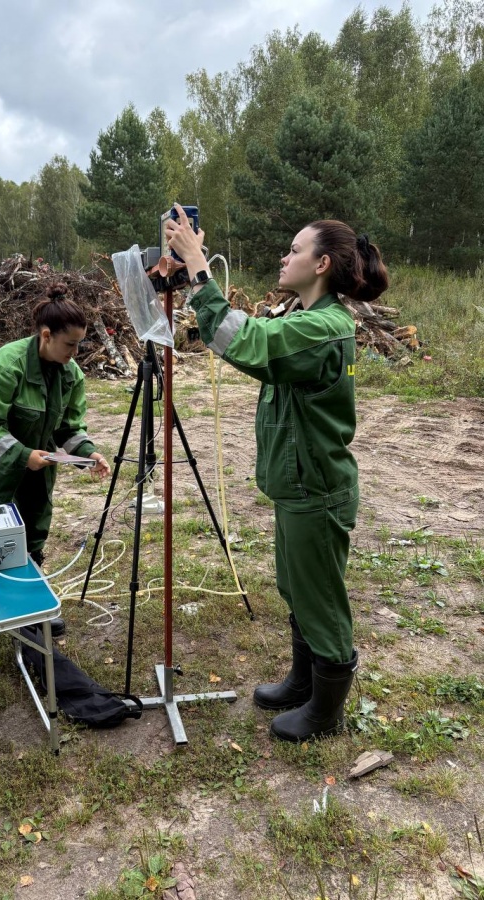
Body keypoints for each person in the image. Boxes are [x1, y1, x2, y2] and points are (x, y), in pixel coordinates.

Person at [165, 203, 389, 742]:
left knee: (320, 597)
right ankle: (303, 681)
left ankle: (325, 711)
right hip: (300, 484)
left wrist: (200, 267)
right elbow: (254, 336)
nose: (284, 257)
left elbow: (247, 343)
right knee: (296, 586)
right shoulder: (305, 319)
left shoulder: (323, 328)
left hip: (315, 486)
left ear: (321, 264)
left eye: (294, 249)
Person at [0, 282, 110, 660]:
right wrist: (23, 455)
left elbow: (68, 429)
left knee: (31, 537)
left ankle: (28, 611)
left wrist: (89, 454)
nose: (76, 353)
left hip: (38, 468)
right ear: (46, 336)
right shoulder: (4, 366)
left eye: (79, 345)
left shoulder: (69, 374)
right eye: (70, 345)